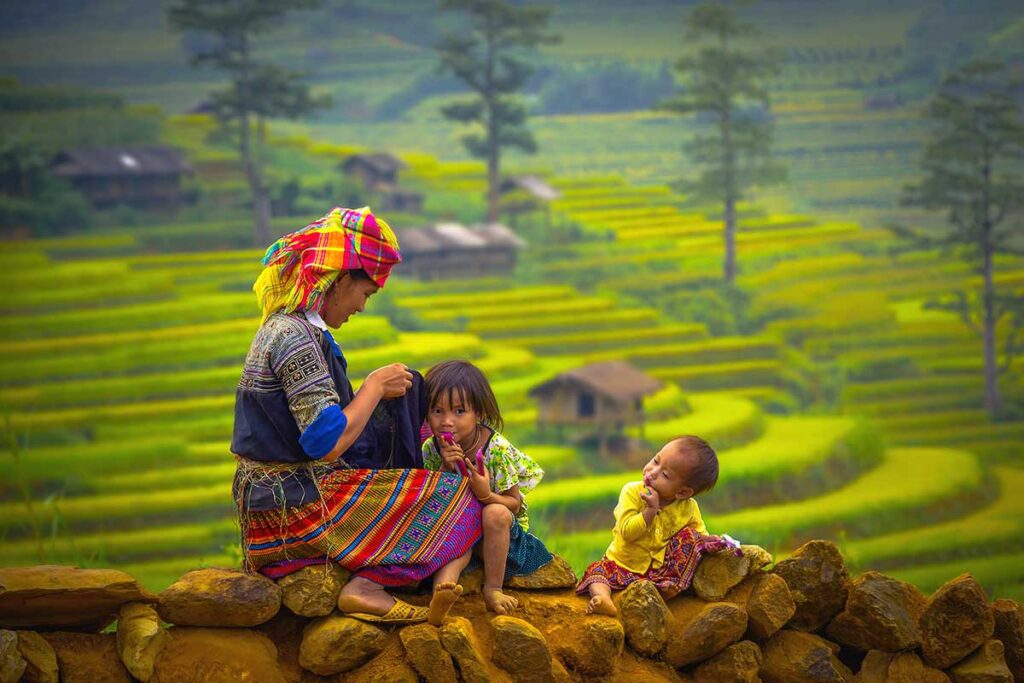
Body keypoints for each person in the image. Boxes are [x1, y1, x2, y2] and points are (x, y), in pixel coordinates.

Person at [231, 206, 481, 626]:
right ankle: (369, 587)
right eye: (365, 294)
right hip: (292, 507)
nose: (362, 307)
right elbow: (325, 443)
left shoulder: (293, 329)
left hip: (283, 498)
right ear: (341, 280)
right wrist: (373, 388)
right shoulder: (294, 337)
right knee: (463, 502)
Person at [421, 360, 553, 615]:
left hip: (500, 531)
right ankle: (441, 594)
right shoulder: (431, 449)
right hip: (462, 529)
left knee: (494, 512)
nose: (447, 421)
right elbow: (437, 501)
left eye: (459, 412)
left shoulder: (496, 450)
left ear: (478, 413)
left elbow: (513, 505)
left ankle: (493, 589)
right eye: (437, 411)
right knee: (457, 530)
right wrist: (448, 470)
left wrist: (486, 495)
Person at [576, 435, 737, 616]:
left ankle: (664, 591)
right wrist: (649, 512)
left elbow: (698, 533)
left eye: (665, 475)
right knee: (596, 572)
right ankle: (603, 599)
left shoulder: (688, 508)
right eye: (655, 461)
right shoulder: (633, 492)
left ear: (683, 492)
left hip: (659, 573)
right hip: (621, 566)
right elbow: (627, 532)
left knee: (691, 537)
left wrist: (709, 540)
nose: (652, 472)